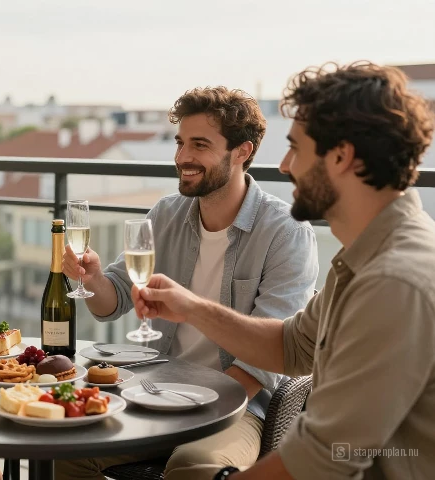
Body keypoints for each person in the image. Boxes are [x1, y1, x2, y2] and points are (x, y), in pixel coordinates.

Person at [132, 62, 435, 479]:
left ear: (342, 157)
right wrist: (193, 309)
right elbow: (291, 347)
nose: (287, 165)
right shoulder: (368, 254)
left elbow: (328, 457)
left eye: (296, 148)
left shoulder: (392, 280)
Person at [57, 87, 319, 480]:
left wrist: (196, 409)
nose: (182, 158)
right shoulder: (166, 213)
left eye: (199, 145)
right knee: (68, 447)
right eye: (180, 143)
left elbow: (274, 350)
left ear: (242, 152)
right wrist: (93, 276)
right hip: (156, 390)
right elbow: (110, 304)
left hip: (236, 406)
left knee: (193, 467)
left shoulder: (286, 231)